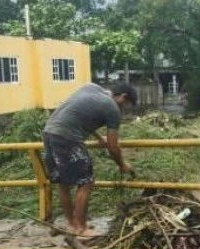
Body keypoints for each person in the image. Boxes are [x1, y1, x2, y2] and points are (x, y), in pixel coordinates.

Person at [42, 82, 137, 238]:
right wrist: (122, 164)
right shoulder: (113, 108)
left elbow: (82, 114)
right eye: (126, 105)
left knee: (63, 183)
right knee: (86, 182)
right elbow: (113, 146)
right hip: (68, 137)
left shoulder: (90, 88)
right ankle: (81, 227)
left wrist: (99, 138)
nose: (124, 109)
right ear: (123, 97)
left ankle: (72, 223)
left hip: (49, 132)